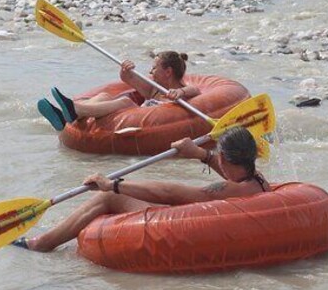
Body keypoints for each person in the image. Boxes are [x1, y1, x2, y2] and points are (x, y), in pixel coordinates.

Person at [14, 126, 270, 252]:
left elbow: (171, 194)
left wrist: (112, 184)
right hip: (211, 225)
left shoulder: (226, 189)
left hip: (185, 227)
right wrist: (201, 155)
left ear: (224, 158)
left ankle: (43, 243)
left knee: (107, 198)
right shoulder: (259, 182)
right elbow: (230, 176)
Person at [37, 51, 201, 131]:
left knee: (126, 102)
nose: (150, 72)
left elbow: (194, 90)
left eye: (154, 68)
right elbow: (128, 79)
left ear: (168, 72)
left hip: (143, 123)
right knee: (104, 95)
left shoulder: (181, 89)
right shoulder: (153, 89)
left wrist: (180, 93)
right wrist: (125, 70)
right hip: (132, 116)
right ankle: (67, 116)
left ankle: (75, 109)